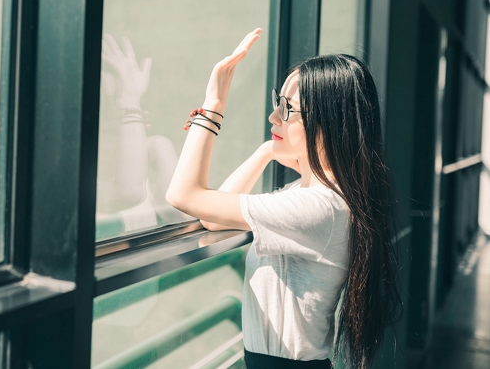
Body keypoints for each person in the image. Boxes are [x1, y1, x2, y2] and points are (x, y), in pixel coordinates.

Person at [165, 29, 401, 369]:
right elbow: (214, 219)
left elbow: (184, 195)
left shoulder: (318, 208)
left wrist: (213, 106)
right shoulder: (304, 195)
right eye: (279, 103)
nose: (274, 117)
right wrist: (265, 152)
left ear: (328, 123)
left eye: (288, 109)